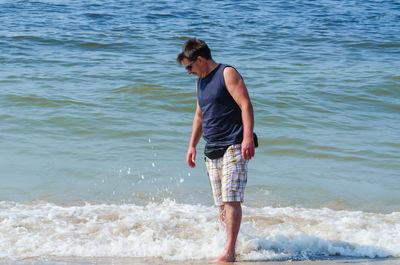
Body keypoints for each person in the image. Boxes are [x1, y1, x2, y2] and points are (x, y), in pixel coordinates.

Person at [176, 38, 255, 263]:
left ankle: (229, 252)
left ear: (200, 59)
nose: (188, 72)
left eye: (189, 67)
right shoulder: (200, 82)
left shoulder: (226, 73)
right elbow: (199, 116)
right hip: (212, 149)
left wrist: (247, 137)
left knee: (231, 200)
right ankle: (230, 245)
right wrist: (192, 145)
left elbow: (245, 104)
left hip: (234, 144)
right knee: (221, 205)